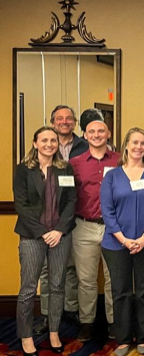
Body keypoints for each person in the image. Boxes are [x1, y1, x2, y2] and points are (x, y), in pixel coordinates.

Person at [100, 128, 144, 356]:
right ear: (126, 145)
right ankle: (123, 338)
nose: (139, 147)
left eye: (143, 143)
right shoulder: (112, 176)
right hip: (116, 244)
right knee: (121, 290)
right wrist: (124, 240)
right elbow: (107, 211)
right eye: (135, 142)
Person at [13, 126, 77, 356]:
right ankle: (26, 335)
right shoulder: (23, 170)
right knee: (29, 288)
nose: (49, 144)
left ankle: (54, 332)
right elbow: (21, 205)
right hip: (32, 236)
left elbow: (71, 202)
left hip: (61, 236)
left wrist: (59, 230)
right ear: (35, 143)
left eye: (53, 140)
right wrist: (43, 233)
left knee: (58, 285)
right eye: (44, 140)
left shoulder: (65, 168)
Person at [68, 120, 120, 342]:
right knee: (86, 279)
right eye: (92, 131)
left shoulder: (121, 160)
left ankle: (114, 322)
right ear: (85, 135)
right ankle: (87, 322)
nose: (97, 135)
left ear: (108, 134)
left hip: (114, 227)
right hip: (84, 227)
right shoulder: (74, 163)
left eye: (101, 131)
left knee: (113, 278)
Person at [35, 105, 83, 335]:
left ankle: (71, 309)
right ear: (53, 122)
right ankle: (47, 313)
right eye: (60, 118)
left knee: (71, 267)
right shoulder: (43, 146)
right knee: (46, 271)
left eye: (69, 118)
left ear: (75, 122)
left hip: (75, 218)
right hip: (45, 221)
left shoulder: (85, 146)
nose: (64, 121)